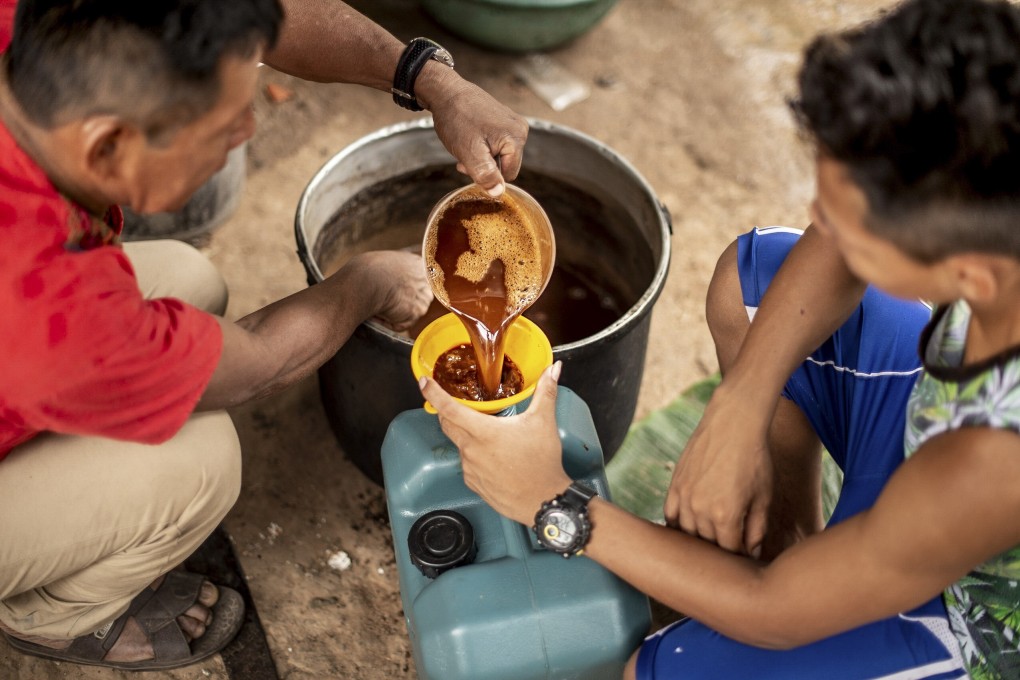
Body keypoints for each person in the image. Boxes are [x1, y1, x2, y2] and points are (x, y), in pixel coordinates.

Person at [420, 0, 1020, 676]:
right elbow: (825, 249)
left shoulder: (993, 462)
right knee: (754, 281)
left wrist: (552, 503)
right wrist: (742, 404)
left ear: (966, 272)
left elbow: (776, 615)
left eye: (848, 222)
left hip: (978, 623)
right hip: (931, 459)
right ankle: (792, 543)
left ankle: (820, 585)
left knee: (658, 669)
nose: (819, 222)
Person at [0, 0, 527, 671]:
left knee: (188, 280)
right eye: (220, 125)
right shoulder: (48, 296)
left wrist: (433, 80)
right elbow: (254, 368)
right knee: (201, 462)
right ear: (106, 144)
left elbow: (268, 12)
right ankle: (47, 613)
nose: (248, 128)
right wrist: (365, 282)